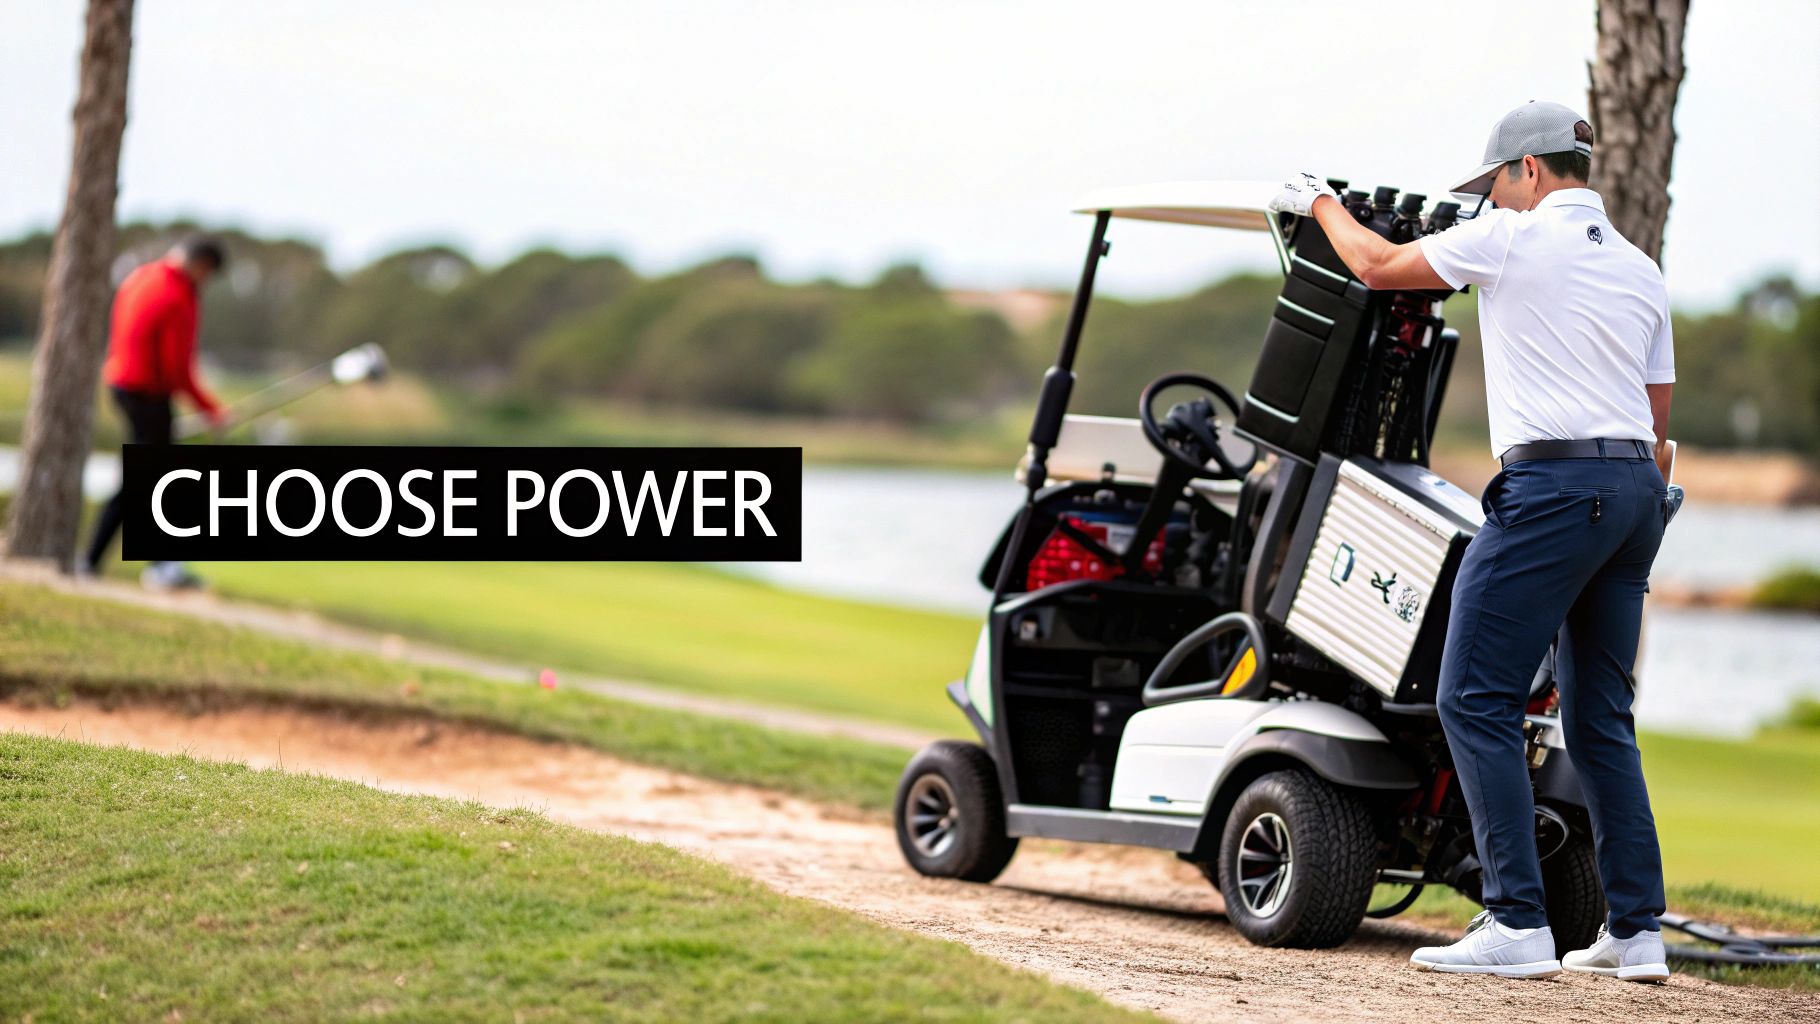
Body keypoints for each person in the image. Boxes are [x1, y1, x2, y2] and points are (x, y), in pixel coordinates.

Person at [1268, 101, 1676, 982]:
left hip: (1553, 488)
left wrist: (1321, 204)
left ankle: (1518, 922)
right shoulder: (1641, 268)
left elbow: (1377, 268)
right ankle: (1637, 932)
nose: (1490, 196)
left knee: (1472, 696)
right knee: (1601, 715)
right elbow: (1658, 422)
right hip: (1639, 491)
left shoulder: (1509, 236)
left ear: (1528, 170)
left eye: (1494, 180)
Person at [82, 235, 228, 587]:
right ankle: (137, 564)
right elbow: (177, 366)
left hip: (123, 385)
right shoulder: (179, 294)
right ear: (202, 265)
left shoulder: (141, 276)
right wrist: (210, 409)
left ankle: (141, 562)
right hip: (148, 393)